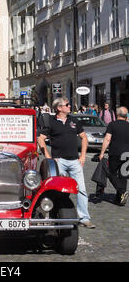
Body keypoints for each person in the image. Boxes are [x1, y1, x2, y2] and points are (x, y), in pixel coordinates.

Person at [38, 96, 95, 229]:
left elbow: (84, 138)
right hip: (59, 161)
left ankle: (84, 218)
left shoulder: (74, 120)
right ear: (59, 108)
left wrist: (83, 156)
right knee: (59, 190)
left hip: (75, 161)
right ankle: (58, 214)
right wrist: (47, 156)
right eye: (67, 104)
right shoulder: (51, 122)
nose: (70, 106)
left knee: (81, 190)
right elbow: (41, 139)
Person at [99, 106, 129, 206]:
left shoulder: (112, 125)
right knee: (123, 176)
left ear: (117, 115)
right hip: (127, 154)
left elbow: (107, 139)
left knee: (111, 173)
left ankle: (121, 191)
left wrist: (102, 152)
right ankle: (120, 200)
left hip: (115, 153)